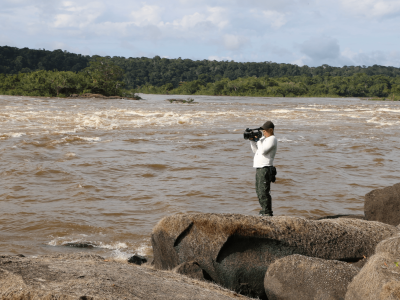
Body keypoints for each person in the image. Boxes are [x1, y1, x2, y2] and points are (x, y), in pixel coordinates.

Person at [249, 121, 278, 216]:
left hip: (265, 168)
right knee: (259, 191)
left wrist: (258, 141)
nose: (263, 133)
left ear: (271, 130)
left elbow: (263, 151)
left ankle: (267, 212)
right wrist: (252, 141)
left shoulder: (272, 139)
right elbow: (256, 151)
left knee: (264, 192)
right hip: (259, 168)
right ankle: (264, 210)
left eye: (265, 131)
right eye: (263, 131)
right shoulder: (264, 139)